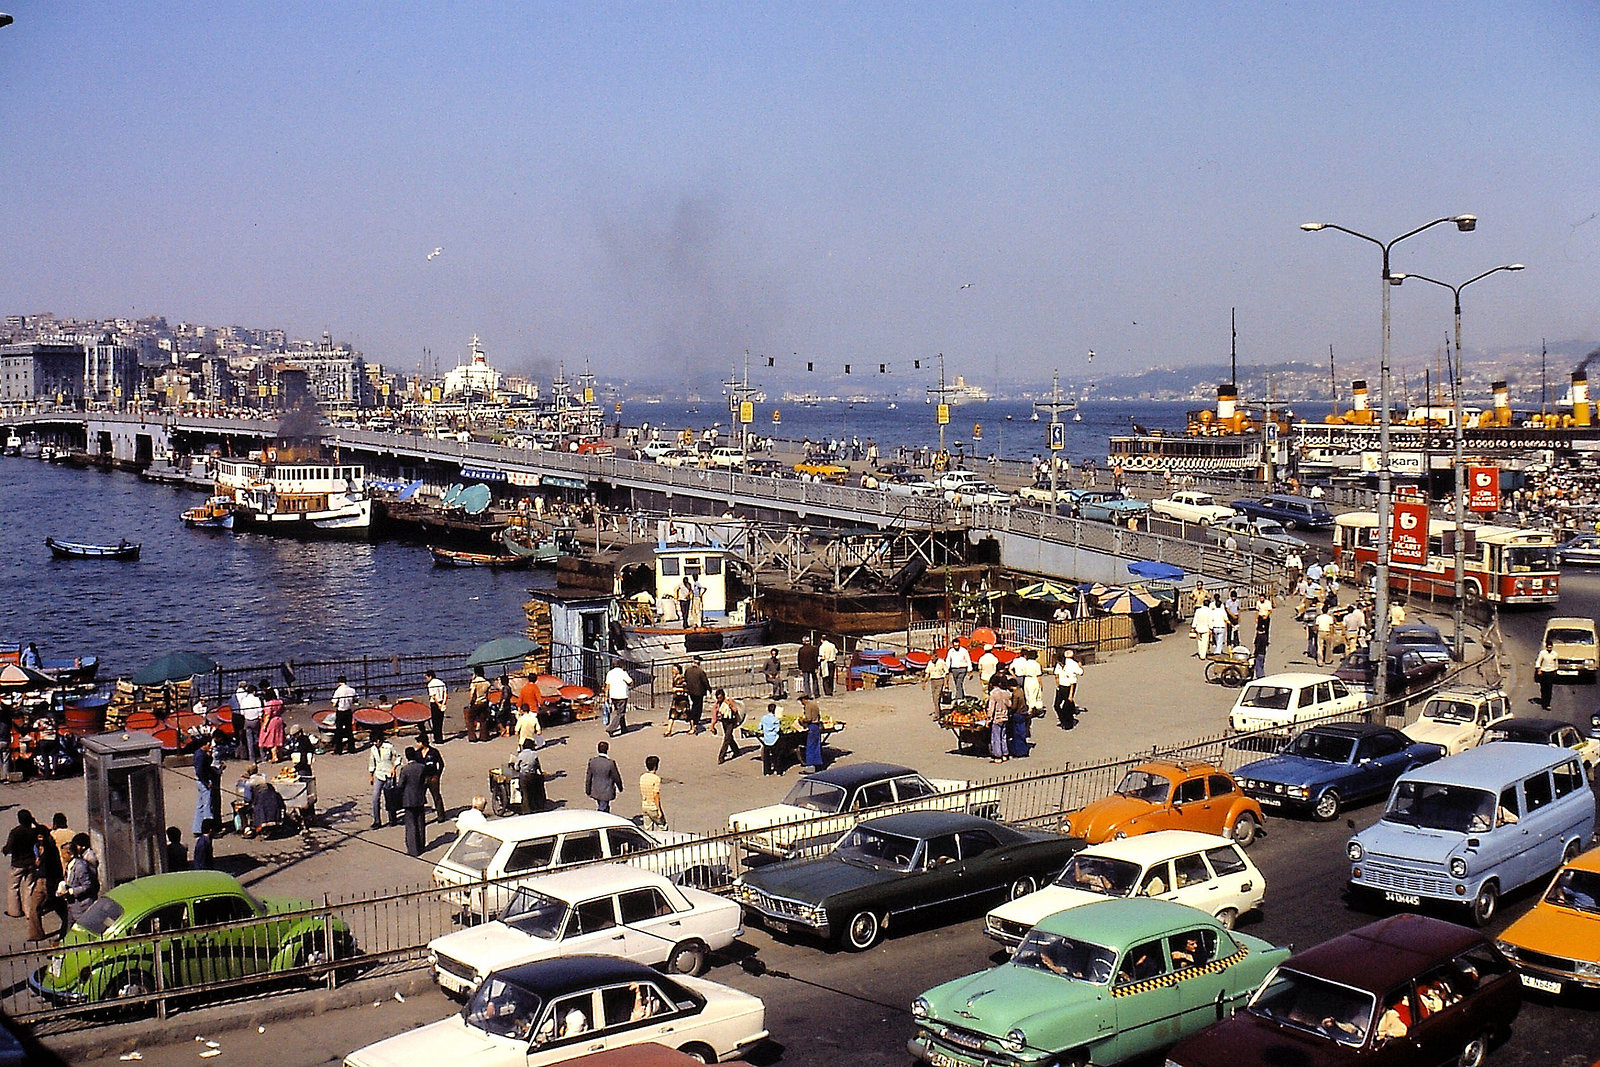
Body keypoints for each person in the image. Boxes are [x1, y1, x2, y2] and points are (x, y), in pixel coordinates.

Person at [4, 810, 37, 921]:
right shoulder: (33, 831)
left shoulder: (15, 832)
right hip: (31, 862)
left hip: (18, 863)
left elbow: (8, 847)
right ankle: (29, 912)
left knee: (13, 887)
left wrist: (4, 850)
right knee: (29, 887)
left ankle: (15, 911)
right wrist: (34, 822)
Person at [397, 747, 430, 857]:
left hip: (409, 799)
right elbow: (425, 781)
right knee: (420, 822)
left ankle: (413, 849)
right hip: (420, 797)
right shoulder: (422, 767)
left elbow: (401, 785)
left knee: (411, 824)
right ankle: (421, 846)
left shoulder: (405, 770)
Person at [61, 838, 98, 926]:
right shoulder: (69, 866)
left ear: (71, 854)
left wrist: (72, 891)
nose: (62, 856)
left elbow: (87, 885)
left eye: (64, 854)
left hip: (81, 907)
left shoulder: (80, 867)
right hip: (72, 907)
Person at [367, 729, 399, 830]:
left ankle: (392, 818)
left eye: (376, 741)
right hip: (379, 774)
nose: (375, 743)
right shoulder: (373, 749)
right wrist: (371, 775)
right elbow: (372, 762)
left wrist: (394, 767)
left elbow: (398, 757)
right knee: (375, 798)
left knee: (389, 797)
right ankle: (377, 820)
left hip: (389, 774)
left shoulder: (389, 747)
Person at [193, 734, 223, 836]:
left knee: (200, 804)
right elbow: (200, 771)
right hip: (204, 781)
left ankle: (197, 828)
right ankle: (209, 829)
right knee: (207, 805)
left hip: (200, 781)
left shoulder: (199, 753)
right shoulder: (201, 756)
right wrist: (206, 782)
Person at [585, 740, 623, 812]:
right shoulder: (610, 763)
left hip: (595, 790)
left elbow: (588, 777)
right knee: (602, 807)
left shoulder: (592, 761)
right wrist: (620, 787)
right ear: (607, 749)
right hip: (606, 790)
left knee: (602, 805)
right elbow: (616, 777)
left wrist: (588, 789)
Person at [416, 731, 447, 822]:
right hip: (422, 778)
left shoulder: (434, 752)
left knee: (436, 796)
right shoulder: (417, 753)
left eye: (419, 742)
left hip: (432, 776)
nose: (417, 744)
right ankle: (421, 818)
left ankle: (441, 815)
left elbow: (441, 764)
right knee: (421, 798)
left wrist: (437, 775)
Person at [515, 738, 546, 813]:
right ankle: (537, 805)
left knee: (525, 793)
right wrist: (541, 772)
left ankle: (526, 810)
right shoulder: (534, 754)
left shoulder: (521, 755)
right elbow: (538, 765)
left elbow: (516, 767)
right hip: (533, 775)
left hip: (524, 776)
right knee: (534, 790)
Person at [681, 657, 711, 735]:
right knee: (698, 706)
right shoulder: (700, 672)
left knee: (694, 704)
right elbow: (705, 682)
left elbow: (686, 679)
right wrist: (709, 689)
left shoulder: (688, 670)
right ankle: (695, 719)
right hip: (699, 692)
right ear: (699, 663)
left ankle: (693, 719)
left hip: (690, 691)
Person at [1054, 650, 1083, 729]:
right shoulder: (1059, 664)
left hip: (1069, 687)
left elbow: (1074, 681)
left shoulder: (1072, 664)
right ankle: (1063, 719)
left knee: (1067, 706)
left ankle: (1068, 723)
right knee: (1056, 705)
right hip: (1061, 686)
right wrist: (1057, 685)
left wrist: (1071, 695)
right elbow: (1056, 674)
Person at [714, 688, 743, 764]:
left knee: (726, 738)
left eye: (720, 697)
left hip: (731, 721)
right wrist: (712, 725)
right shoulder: (717, 704)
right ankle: (736, 751)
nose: (719, 699)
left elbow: (735, 710)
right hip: (724, 721)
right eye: (718, 698)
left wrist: (729, 704)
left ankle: (721, 756)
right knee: (729, 737)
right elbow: (714, 715)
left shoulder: (728, 701)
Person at [258, 685, 286, 762]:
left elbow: (267, 715)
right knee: (279, 737)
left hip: (272, 721)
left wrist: (264, 725)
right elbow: (283, 709)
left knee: (272, 739)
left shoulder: (269, 704)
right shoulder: (280, 702)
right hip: (279, 719)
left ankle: (274, 756)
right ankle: (280, 755)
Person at [331, 675, 358, 755]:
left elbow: (334, 703)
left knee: (339, 731)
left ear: (339, 682)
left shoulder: (338, 691)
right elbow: (355, 700)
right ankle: (351, 748)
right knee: (349, 730)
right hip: (348, 711)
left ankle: (338, 750)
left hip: (341, 711)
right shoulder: (352, 690)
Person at [604, 659, 631, 735]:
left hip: (613, 695)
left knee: (618, 711)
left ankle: (624, 728)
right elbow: (630, 681)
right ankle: (611, 728)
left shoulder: (610, 673)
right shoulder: (623, 673)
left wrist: (606, 696)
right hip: (622, 695)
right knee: (620, 713)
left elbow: (607, 685)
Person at [987, 674, 1010, 763]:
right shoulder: (1006, 693)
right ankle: (1005, 754)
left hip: (997, 718)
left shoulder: (993, 694)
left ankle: (998, 755)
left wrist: (988, 719)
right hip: (1005, 716)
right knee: (1003, 736)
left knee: (996, 737)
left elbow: (991, 708)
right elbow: (1009, 704)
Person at [639, 755, 666, 830]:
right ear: (656, 766)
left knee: (648, 828)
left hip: (645, 806)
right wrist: (659, 810)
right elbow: (655, 795)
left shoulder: (643, 777)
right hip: (653, 807)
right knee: (662, 827)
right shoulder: (656, 779)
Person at [466, 667, 492, 742]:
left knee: (470, 719)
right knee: (483, 720)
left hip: (476, 702)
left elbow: (472, 693)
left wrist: (471, 701)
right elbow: (488, 693)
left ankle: (472, 737)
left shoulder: (474, 682)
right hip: (484, 702)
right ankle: (484, 736)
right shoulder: (486, 682)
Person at [799, 697, 824, 771]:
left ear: (803, 699)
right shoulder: (814, 704)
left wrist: (802, 720)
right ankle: (818, 765)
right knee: (817, 746)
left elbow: (809, 719)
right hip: (817, 726)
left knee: (810, 747)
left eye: (801, 701)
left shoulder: (808, 706)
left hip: (812, 727)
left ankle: (810, 767)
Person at [758, 703, 783, 776]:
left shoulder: (764, 718)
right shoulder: (775, 720)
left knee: (766, 757)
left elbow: (760, 727)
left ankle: (767, 772)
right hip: (774, 739)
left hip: (766, 739)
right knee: (777, 756)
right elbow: (777, 729)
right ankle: (778, 771)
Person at [925, 649, 951, 716]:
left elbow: (946, 673)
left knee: (937, 697)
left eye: (932, 657)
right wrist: (924, 681)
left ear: (936, 656)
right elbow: (927, 673)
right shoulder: (930, 663)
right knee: (934, 698)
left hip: (940, 680)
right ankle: (938, 710)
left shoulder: (942, 662)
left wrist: (946, 683)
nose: (931, 659)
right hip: (933, 681)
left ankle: (937, 714)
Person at [425, 669, 448, 743]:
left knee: (435, 721)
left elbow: (433, 696)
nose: (426, 679)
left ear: (430, 676)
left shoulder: (430, 684)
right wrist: (443, 703)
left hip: (435, 703)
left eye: (426, 677)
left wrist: (438, 704)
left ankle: (437, 738)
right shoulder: (441, 682)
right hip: (441, 701)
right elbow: (445, 694)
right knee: (440, 721)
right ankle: (440, 738)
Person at [1535, 639, 1559, 709]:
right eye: (1548, 647)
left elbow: (1556, 663)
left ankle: (1547, 704)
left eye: (1550, 647)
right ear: (1546, 647)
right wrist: (1539, 670)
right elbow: (1538, 661)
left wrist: (1555, 670)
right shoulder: (1543, 653)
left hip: (1550, 672)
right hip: (1543, 672)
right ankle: (1543, 699)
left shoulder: (1555, 654)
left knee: (1549, 688)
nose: (1549, 649)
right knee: (1543, 688)